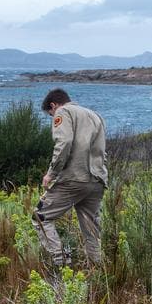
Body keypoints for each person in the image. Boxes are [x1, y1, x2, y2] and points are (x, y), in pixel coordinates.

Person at [33, 88, 107, 269]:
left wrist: (51, 173)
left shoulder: (62, 112)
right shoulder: (95, 115)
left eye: (51, 114)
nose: (53, 117)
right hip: (97, 180)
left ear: (53, 105)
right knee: (91, 228)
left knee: (40, 218)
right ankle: (97, 270)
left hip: (74, 178)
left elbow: (64, 142)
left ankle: (60, 264)